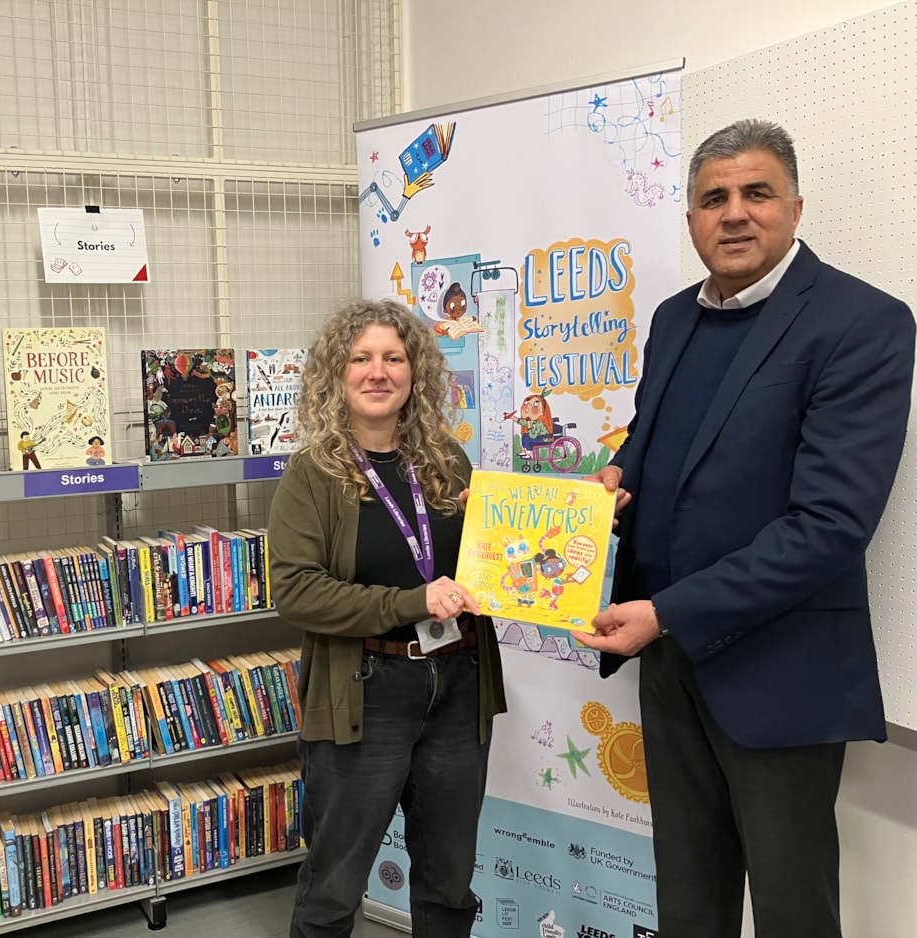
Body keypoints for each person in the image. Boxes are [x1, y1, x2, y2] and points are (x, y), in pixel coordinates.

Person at [578, 119, 915, 938]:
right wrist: (620, 475)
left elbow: (831, 524)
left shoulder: (863, 324)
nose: (734, 213)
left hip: (780, 669)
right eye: (713, 198)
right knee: (688, 899)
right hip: (669, 661)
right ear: (691, 219)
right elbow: (657, 437)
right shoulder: (671, 319)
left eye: (756, 193)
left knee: (794, 910)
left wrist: (667, 612)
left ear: (795, 207)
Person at [268, 298, 506, 938]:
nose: (378, 372)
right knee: (334, 888)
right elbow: (294, 591)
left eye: (393, 358)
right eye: (361, 358)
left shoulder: (447, 461)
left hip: (456, 685)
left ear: (414, 372)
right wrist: (411, 602)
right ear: (336, 374)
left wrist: (559, 518)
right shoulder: (313, 473)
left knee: (450, 883)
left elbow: (487, 565)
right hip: (366, 690)